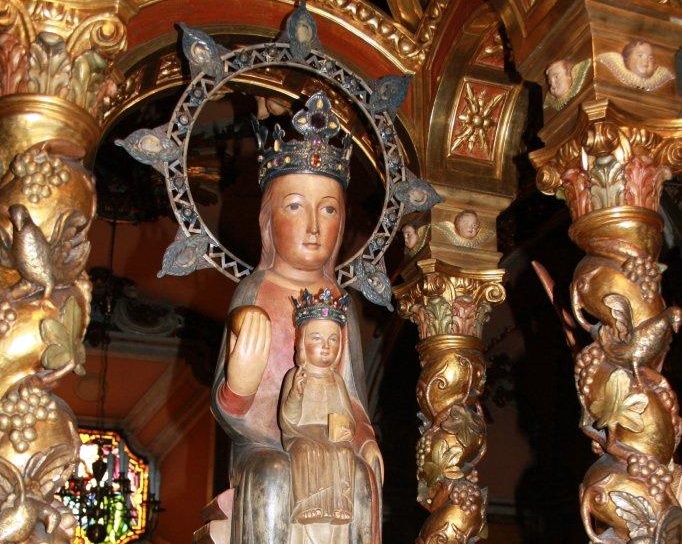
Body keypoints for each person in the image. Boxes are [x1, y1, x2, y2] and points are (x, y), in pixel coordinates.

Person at [211, 92, 382, 544]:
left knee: (362, 479)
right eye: (295, 206)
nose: (313, 227)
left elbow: (352, 395)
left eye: (328, 209)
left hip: (330, 449)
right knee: (273, 475)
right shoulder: (254, 291)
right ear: (268, 219)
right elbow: (227, 408)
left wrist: (365, 439)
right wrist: (239, 386)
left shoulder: (338, 300)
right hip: (262, 446)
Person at [279, 289, 359, 542]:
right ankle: (307, 506)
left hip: (331, 437)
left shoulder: (337, 381)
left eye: (333, 340)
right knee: (306, 451)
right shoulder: (295, 376)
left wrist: (346, 429)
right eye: (317, 338)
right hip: (302, 435)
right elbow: (287, 421)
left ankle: (339, 506)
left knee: (344, 453)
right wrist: (296, 394)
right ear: (302, 343)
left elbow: (348, 418)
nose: (326, 346)